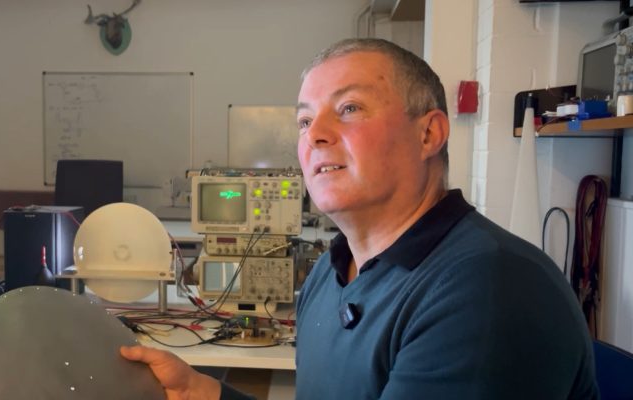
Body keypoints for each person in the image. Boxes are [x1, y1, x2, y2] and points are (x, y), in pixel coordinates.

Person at [121, 38, 598, 399]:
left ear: (428, 134)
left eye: (349, 109)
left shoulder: (487, 288)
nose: (315, 135)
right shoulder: (333, 273)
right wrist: (207, 394)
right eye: (304, 121)